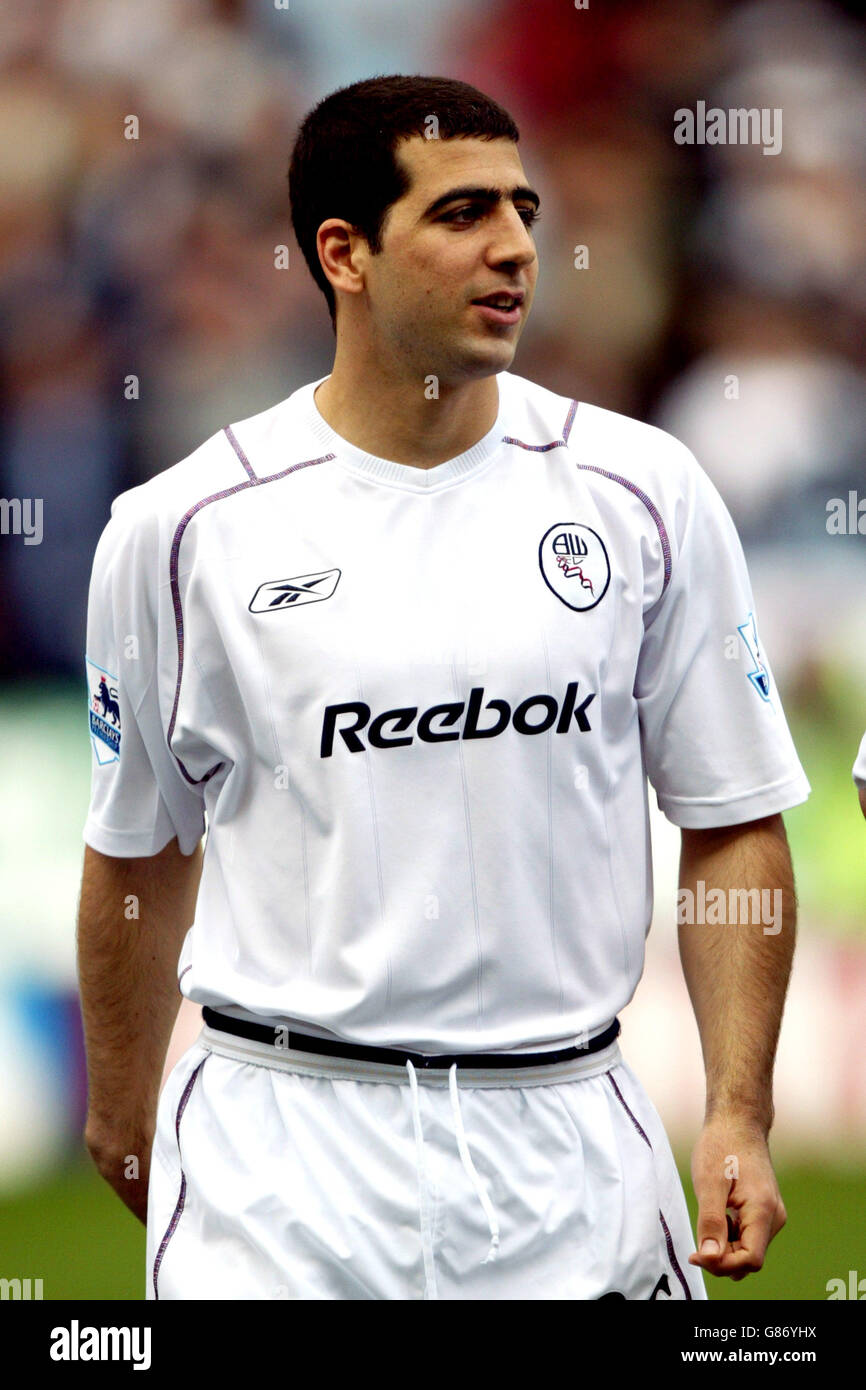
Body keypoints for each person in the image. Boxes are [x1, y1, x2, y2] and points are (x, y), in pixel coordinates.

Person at [77, 74, 810, 1302]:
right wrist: (119, 1107)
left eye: (523, 208)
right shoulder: (181, 528)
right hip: (280, 1157)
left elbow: (732, 816)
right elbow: (139, 852)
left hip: (570, 1141)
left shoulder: (643, 491)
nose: (518, 246)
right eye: (464, 212)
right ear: (343, 253)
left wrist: (739, 1109)